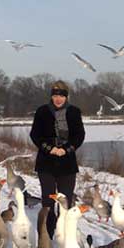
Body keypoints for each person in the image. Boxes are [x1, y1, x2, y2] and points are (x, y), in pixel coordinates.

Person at [29, 80, 85, 238]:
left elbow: (79, 136)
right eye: (55, 96)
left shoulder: (74, 112)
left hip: (67, 163)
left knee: (65, 201)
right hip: (46, 162)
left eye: (61, 96)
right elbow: (35, 135)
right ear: (51, 96)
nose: (58, 99)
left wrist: (66, 150)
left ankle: (65, 236)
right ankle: (46, 236)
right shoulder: (42, 111)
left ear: (66, 97)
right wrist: (50, 148)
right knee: (48, 201)